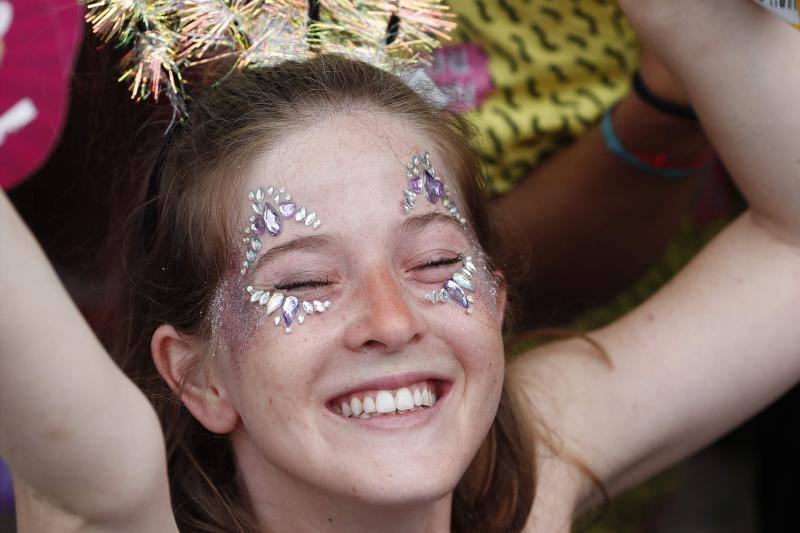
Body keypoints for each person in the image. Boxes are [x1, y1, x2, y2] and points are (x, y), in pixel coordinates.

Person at [1, 1, 798, 532]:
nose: (391, 319)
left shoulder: (529, 474)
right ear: (198, 373)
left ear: (495, 294)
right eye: (305, 280)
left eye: (437, 261)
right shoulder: (117, 508)